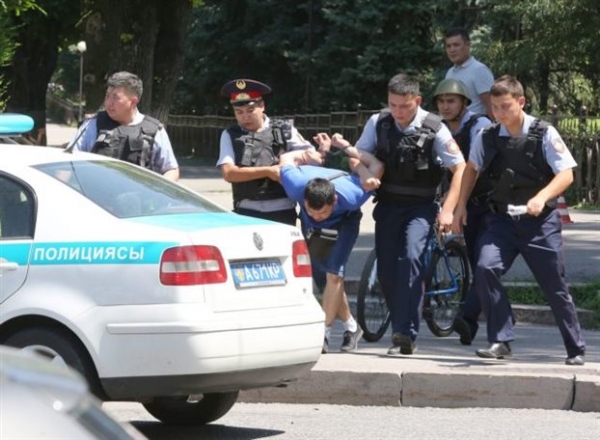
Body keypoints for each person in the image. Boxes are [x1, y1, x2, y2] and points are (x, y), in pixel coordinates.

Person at [453, 75, 586, 366]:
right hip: (501, 220)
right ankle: (500, 339)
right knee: (485, 267)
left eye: (505, 106)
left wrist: (542, 196)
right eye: (495, 108)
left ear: (521, 102)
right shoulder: (487, 135)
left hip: (540, 223)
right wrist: (460, 205)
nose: (499, 113)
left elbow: (566, 173)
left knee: (554, 285)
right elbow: (471, 169)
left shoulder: (543, 132)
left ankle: (575, 347)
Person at [354, 73, 466, 355]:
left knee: (412, 259)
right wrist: (364, 173)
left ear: (417, 100)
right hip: (388, 205)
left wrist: (449, 210)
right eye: (393, 105)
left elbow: (460, 168)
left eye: (404, 106)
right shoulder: (378, 122)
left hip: (421, 208)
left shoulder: (435, 127)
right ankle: (401, 324)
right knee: (388, 272)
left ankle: (405, 333)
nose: (398, 112)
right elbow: (357, 156)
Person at [279, 137, 384, 353]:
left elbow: (377, 165)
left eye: (323, 212)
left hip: (344, 223)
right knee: (326, 278)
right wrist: (306, 155)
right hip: (313, 230)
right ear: (304, 200)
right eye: (312, 211)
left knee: (334, 275)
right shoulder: (296, 186)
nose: (318, 216)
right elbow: (286, 158)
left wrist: (352, 154)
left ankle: (324, 333)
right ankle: (351, 327)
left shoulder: (352, 195)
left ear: (334, 201)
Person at [433, 78, 493, 345]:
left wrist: (457, 202)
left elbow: (474, 167)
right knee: (481, 265)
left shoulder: (479, 125)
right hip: (463, 205)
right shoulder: (440, 128)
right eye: (441, 101)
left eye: (451, 101)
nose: (445, 106)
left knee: (484, 264)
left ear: (464, 103)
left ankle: (467, 318)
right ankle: (500, 320)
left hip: (487, 204)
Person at [217, 78, 314, 225]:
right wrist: (268, 171)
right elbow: (229, 173)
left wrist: (289, 160)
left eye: (250, 110)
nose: (245, 117)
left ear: (262, 106)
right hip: (246, 211)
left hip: (283, 209)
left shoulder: (284, 129)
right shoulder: (230, 134)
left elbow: (312, 158)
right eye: (239, 112)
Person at [71, 71, 180, 181]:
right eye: (107, 95)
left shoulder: (155, 131)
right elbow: (70, 161)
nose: (108, 102)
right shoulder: (92, 125)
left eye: (115, 97)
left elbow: (171, 170)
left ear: (133, 102)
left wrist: (157, 188)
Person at [444, 27, 494, 119]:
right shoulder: (450, 73)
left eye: (456, 45)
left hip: (477, 125)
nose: (452, 50)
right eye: (448, 46)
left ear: (468, 45)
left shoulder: (479, 70)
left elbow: (491, 106)